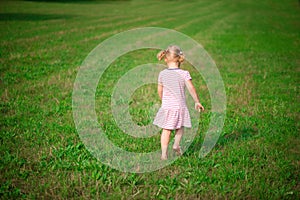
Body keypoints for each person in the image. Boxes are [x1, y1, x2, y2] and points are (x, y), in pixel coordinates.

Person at [153, 45, 205, 160]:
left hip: (167, 106)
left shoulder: (162, 74)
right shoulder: (184, 73)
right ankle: (176, 145)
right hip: (180, 106)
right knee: (180, 127)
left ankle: (163, 155)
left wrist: (163, 100)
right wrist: (197, 101)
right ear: (179, 58)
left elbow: (159, 90)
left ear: (165, 59)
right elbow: (191, 88)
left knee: (166, 130)